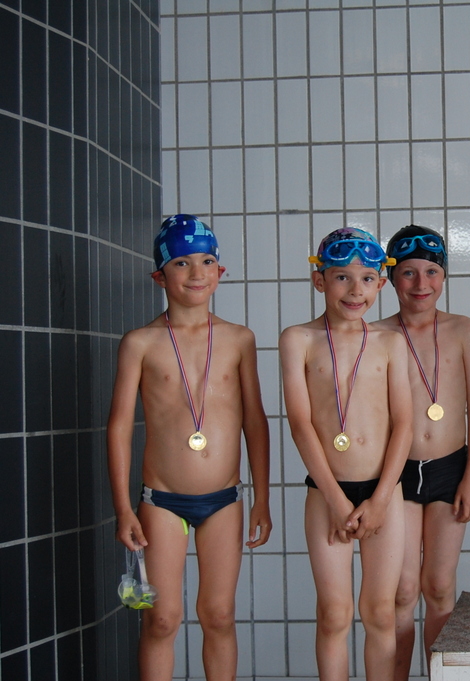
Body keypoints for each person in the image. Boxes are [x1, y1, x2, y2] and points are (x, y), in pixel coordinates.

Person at [107, 214, 272, 681]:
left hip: (224, 500)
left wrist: (261, 498)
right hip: (161, 501)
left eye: (206, 262)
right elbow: (119, 427)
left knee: (218, 615)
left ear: (220, 272)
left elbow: (255, 422)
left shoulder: (239, 339)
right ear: (160, 276)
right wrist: (123, 509)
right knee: (161, 619)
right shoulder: (140, 343)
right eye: (181, 263)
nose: (196, 273)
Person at [280, 227, 413, 681]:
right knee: (334, 614)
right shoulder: (298, 339)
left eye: (367, 279)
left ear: (381, 284)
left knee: (380, 611)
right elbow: (300, 424)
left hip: (384, 494)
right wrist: (337, 500)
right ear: (319, 280)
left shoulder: (391, 342)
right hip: (326, 493)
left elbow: (404, 424)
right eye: (342, 277)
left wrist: (380, 499)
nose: (356, 290)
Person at [373, 225, 470, 680]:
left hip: (449, 469)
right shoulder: (376, 334)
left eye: (432, 272)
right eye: (408, 272)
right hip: (395, 473)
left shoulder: (462, 329)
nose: (421, 284)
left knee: (439, 586)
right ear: (390, 278)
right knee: (401, 591)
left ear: (444, 276)